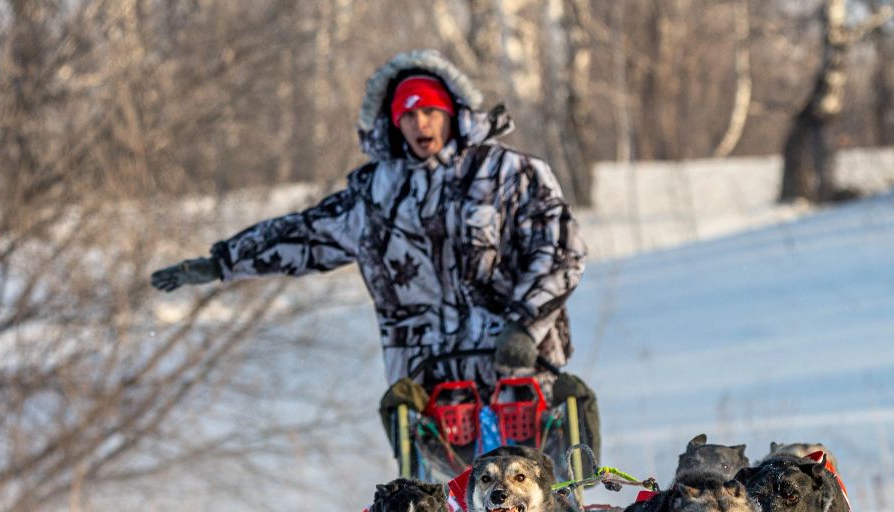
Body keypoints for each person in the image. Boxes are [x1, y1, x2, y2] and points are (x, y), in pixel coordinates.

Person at [151, 49, 598, 475]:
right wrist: (223, 261)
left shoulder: (509, 173)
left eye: (431, 111)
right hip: (432, 388)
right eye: (409, 115)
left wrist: (524, 325)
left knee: (543, 483)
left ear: (454, 113)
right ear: (394, 122)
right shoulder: (374, 196)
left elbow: (561, 251)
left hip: (518, 375)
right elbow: (304, 234)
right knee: (441, 496)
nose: (421, 124)